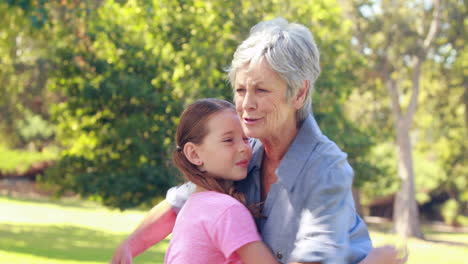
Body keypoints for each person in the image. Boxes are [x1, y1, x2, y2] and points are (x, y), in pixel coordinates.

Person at [112, 18, 407, 264]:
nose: (246, 105)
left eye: (262, 90)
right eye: (241, 90)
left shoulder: (324, 171)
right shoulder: (242, 153)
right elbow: (180, 201)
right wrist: (129, 246)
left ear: (299, 94)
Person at [164, 98, 278, 263]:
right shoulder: (226, 210)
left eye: (246, 138)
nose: (244, 148)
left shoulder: (192, 207)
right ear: (194, 154)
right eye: (228, 140)